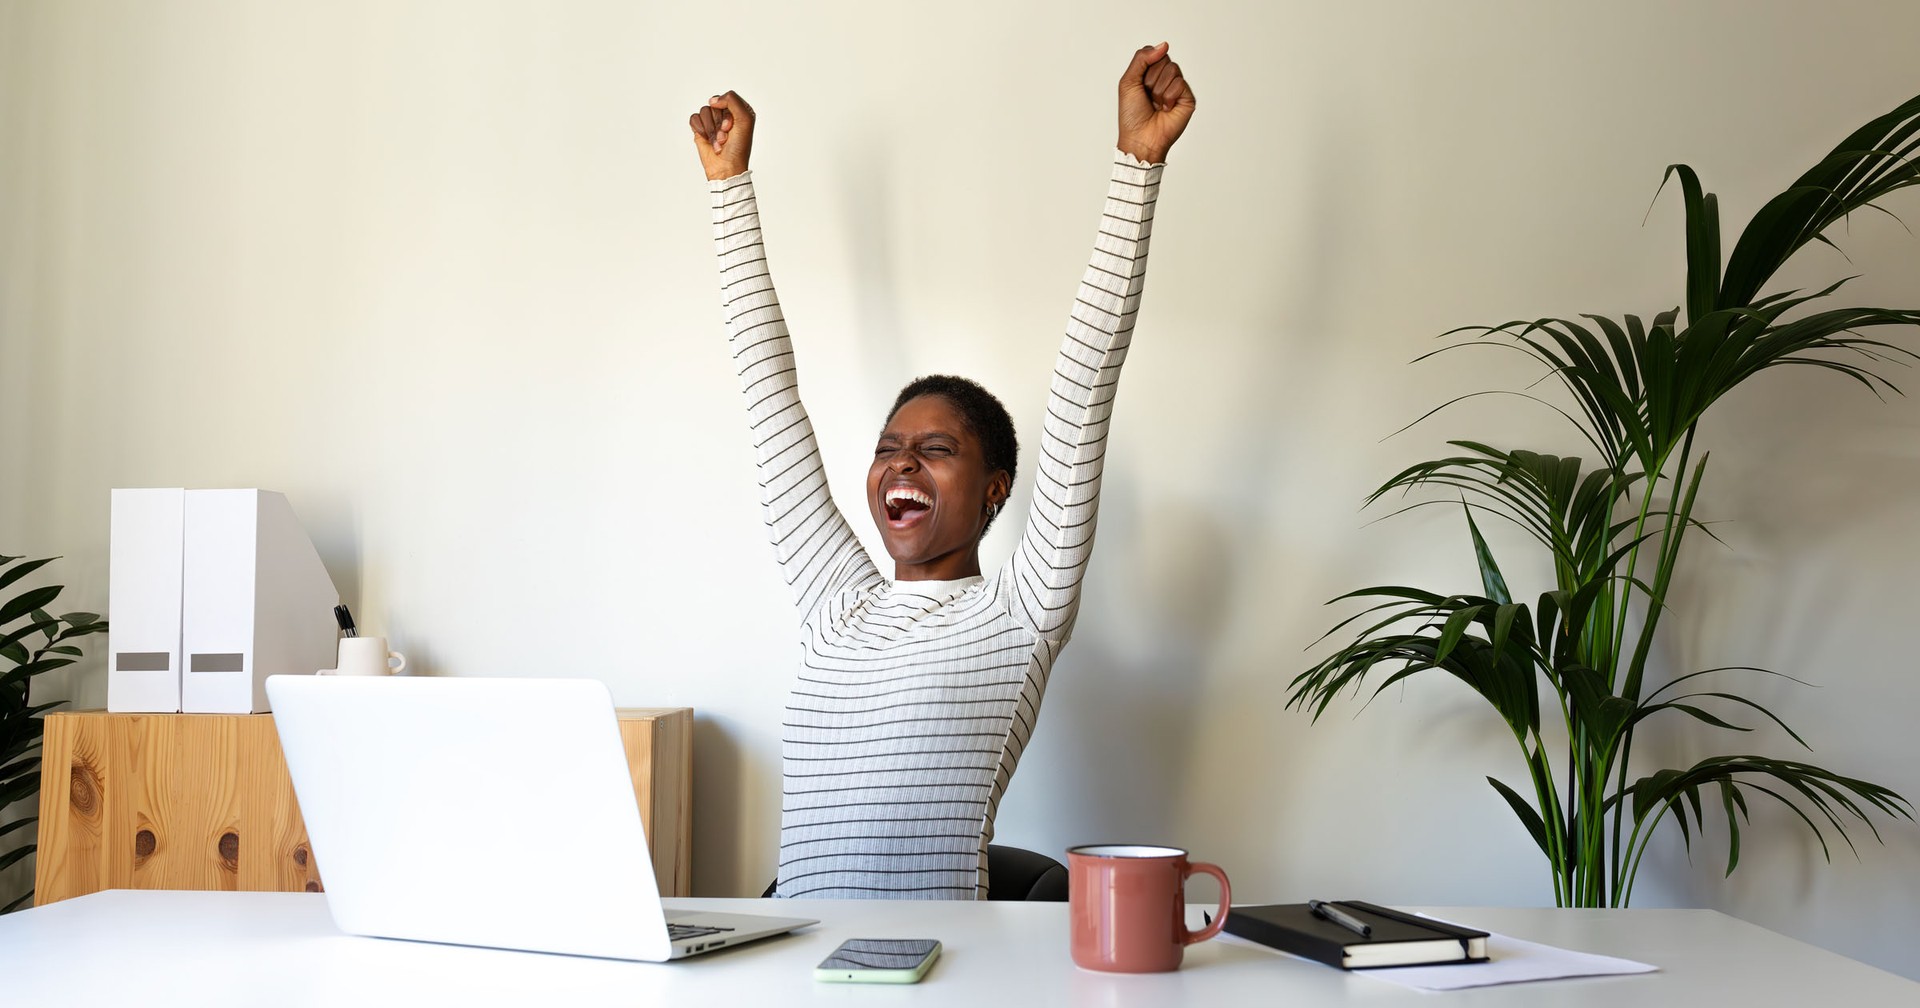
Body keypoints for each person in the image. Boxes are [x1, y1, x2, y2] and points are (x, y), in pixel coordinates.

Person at [690, 43, 1195, 899]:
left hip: (935, 966)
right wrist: (728, 188)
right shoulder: (834, 604)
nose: (902, 463)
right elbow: (769, 399)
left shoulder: (1020, 612)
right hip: (794, 964)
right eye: (889, 446)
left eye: (936, 449)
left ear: (996, 487)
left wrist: (1137, 166)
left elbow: (1082, 388)